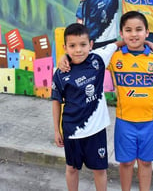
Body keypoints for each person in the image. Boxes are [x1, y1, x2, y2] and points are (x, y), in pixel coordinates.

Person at [51, 23, 124, 191]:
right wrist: (56, 130)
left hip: (96, 130)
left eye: (83, 45)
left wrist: (148, 43)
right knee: (71, 168)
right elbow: (56, 102)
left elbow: (120, 43)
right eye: (72, 46)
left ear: (91, 44)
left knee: (100, 170)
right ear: (65, 47)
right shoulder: (61, 72)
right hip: (72, 131)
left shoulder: (98, 58)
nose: (78, 50)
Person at [108, 11, 153, 191]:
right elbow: (93, 52)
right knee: (126, 163)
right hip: (124, 122)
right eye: (128, 30)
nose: (134, 34)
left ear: (147, 32)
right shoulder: (115, 57)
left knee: (145, 162)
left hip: (150, 122)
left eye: (138, 30)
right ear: (121, 33)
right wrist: (66, 57)